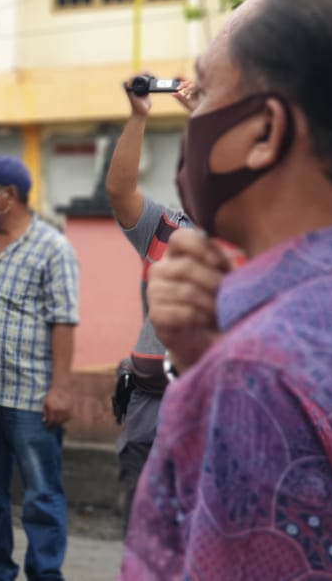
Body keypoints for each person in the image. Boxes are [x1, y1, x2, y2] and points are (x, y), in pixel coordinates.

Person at [123, 0, 332, 578]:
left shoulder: (260, 375)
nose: (193, 122)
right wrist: (205, 360)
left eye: (203, 92)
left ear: (264, 132)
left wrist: (223, 372)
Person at [0, 157, 79, 581]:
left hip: (30, 398)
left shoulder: (53, 248)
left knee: (41, 497)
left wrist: (61, 389)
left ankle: (45, 574)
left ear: (9, 196)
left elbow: (64, 320)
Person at [104, 76, 197, 522]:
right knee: (143, 532)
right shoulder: (167, 227)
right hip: (146, 406)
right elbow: (120, 192)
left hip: (204, 410)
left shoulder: (250, 234)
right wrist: (138, 117)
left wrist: (203, 116)